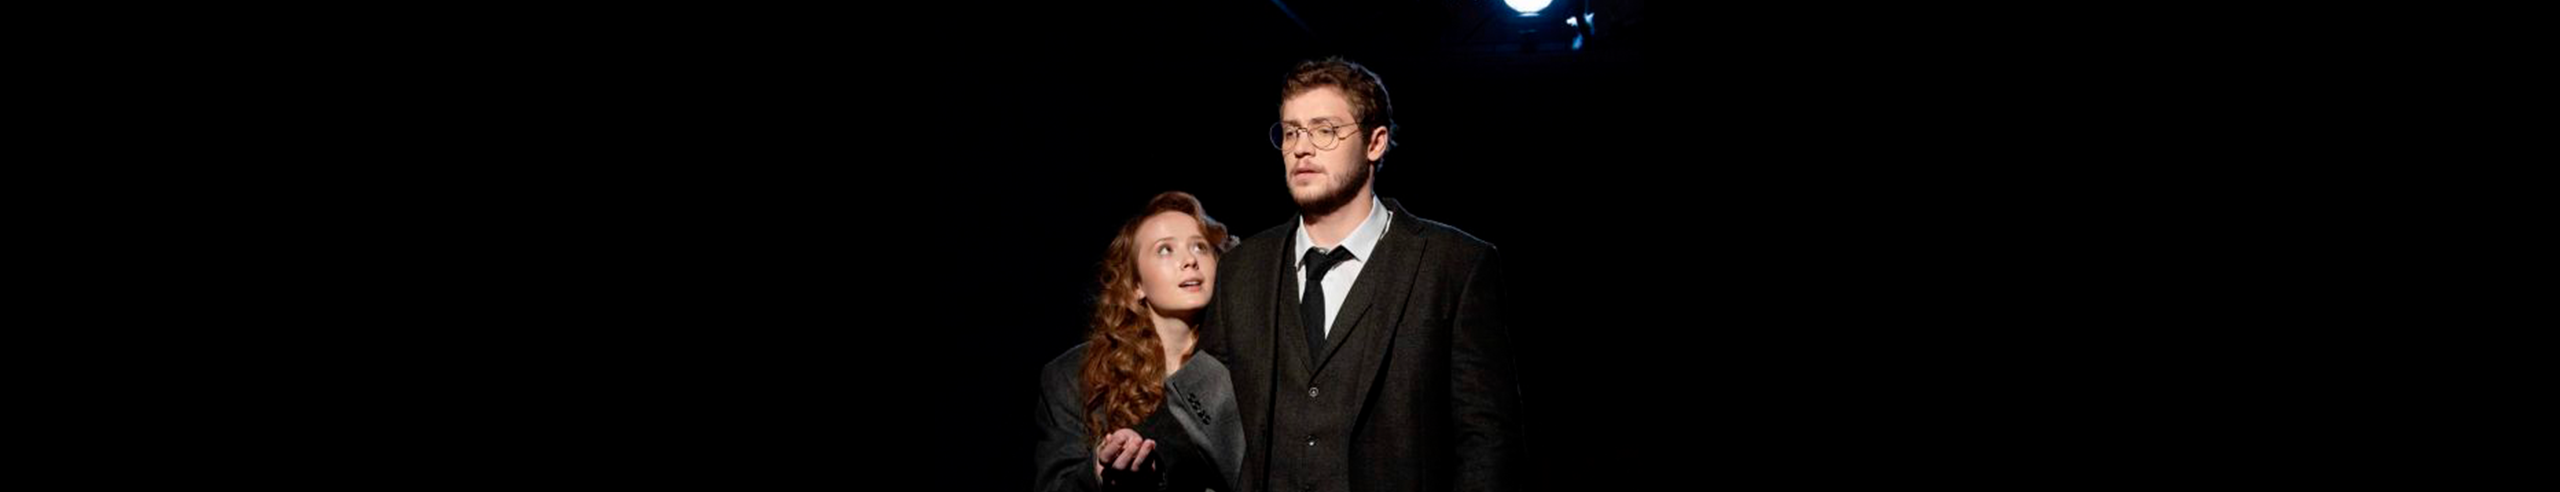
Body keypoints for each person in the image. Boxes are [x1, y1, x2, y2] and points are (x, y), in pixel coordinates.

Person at [1202, 57, 1526, 492]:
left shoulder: (1454, 265)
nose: (1301, 148)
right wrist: (1136, 448)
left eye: (1324, 130)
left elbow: (1488, 441)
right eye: (1292, 132)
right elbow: (1204, 405)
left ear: (1375, 143)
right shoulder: (1243, 268)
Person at [1038, 191, 1246, 491]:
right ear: (1137, 284)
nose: (1189, 260)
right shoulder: (1072, 377)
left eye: (1200, 246)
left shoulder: (1249, 358)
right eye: (1165, 250)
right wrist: (1100, 471)